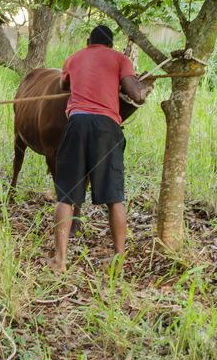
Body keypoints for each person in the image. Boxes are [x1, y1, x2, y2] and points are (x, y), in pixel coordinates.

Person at [51, 25, 154, 273]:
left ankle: (60, 260)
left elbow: (65, 87)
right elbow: (136, 96)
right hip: (107, 129)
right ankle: (119, 259)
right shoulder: (120, 58)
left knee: (66, 195)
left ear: (88, 41)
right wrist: (147, 84)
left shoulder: (74, 58)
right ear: (111, 44)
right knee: (114, 197)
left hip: (76, 125)